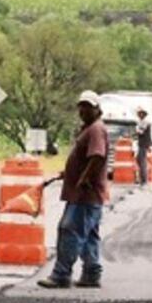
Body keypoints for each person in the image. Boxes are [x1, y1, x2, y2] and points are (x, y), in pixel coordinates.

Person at [37, 91, 110, 289]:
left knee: (69, 230)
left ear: (97, 109)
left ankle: (61, 275)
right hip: (86, 193)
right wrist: (68, 173)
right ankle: (91, 274)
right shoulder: (90, 129)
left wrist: (84, 177)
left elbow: (97, 156)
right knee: (88, 235)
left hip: (85, 193)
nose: (83, 110)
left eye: (88, 106)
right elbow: (86, 158)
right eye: (81, 106)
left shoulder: (96, 129)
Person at [134, 107, 152, 187]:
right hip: (141, 144)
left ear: (144, 114)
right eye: (139, 113)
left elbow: (141, 132)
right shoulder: (141, 122)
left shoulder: (145, 122)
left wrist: (137, 129)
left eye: (141, 113)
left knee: (142, 161)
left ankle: (144, 180)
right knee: (139, 159)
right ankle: (142, 179)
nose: (140, 115)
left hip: (144, 144)